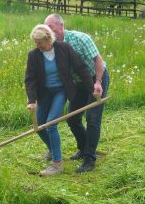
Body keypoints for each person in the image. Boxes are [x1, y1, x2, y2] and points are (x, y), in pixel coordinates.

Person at [25, 24, 94, 176]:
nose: (37, 46)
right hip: (45, 93)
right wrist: (31, 100)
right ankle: (53, 149)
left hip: (61, 91)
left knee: (51, 124)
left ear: (48, 39)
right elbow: (30, 79)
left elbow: (81, 68)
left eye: (40, 43)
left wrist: (92, 88)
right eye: (35, 43)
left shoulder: (64, 48)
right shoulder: (34, 55)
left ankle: (57, 164)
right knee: (40, 125)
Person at [44, 13, 110, 173]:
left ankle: (89, 158)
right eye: (46, 28)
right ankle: (83, 148)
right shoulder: (51, 47)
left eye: (51, 27)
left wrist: (98, 83)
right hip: (78, 82)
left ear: (62, 26)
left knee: (93, 118)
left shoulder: (80, 39)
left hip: (96, 78)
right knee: (72, 117)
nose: (48, 31)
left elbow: (98, 61)